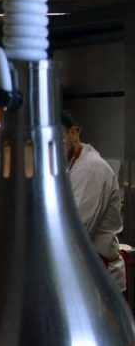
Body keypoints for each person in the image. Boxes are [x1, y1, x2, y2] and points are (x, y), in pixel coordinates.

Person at [62, 111, 126, 291]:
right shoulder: (68, 166)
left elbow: (74, 232)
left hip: (99, 280)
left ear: (73, 132)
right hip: (83, 276)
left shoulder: (90, 169)